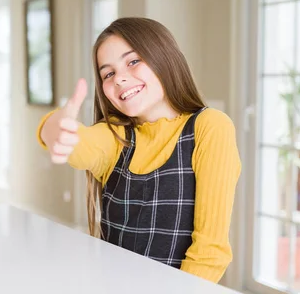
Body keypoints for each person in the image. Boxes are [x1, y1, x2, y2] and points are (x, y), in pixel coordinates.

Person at [36, 17, 241, 283]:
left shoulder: (210, 127)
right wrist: (53, 129)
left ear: (164, 57)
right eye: (108, 73)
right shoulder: (115, 136)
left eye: (133, 61)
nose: (119, 78)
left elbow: (210, 253)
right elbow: (79, 144)